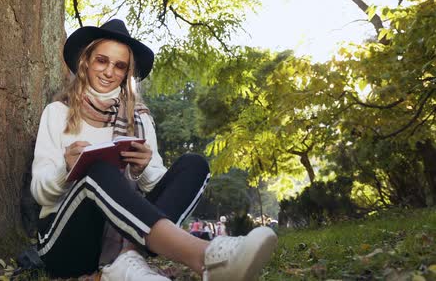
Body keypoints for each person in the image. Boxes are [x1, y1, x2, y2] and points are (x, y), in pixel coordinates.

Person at [30, 19, 277, 280]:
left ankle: (126, 261)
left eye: (120, 66)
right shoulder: (58, 113)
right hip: (67, 244)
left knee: (194, 164)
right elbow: (40, 195)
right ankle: (205, 256)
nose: (109, 72)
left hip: (128, 231)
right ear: (86, 62)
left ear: (126, 73)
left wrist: (144, 169)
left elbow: (159, 190)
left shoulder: (140, 119)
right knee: (98, 169)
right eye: (102, 60)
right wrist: (66, 168)